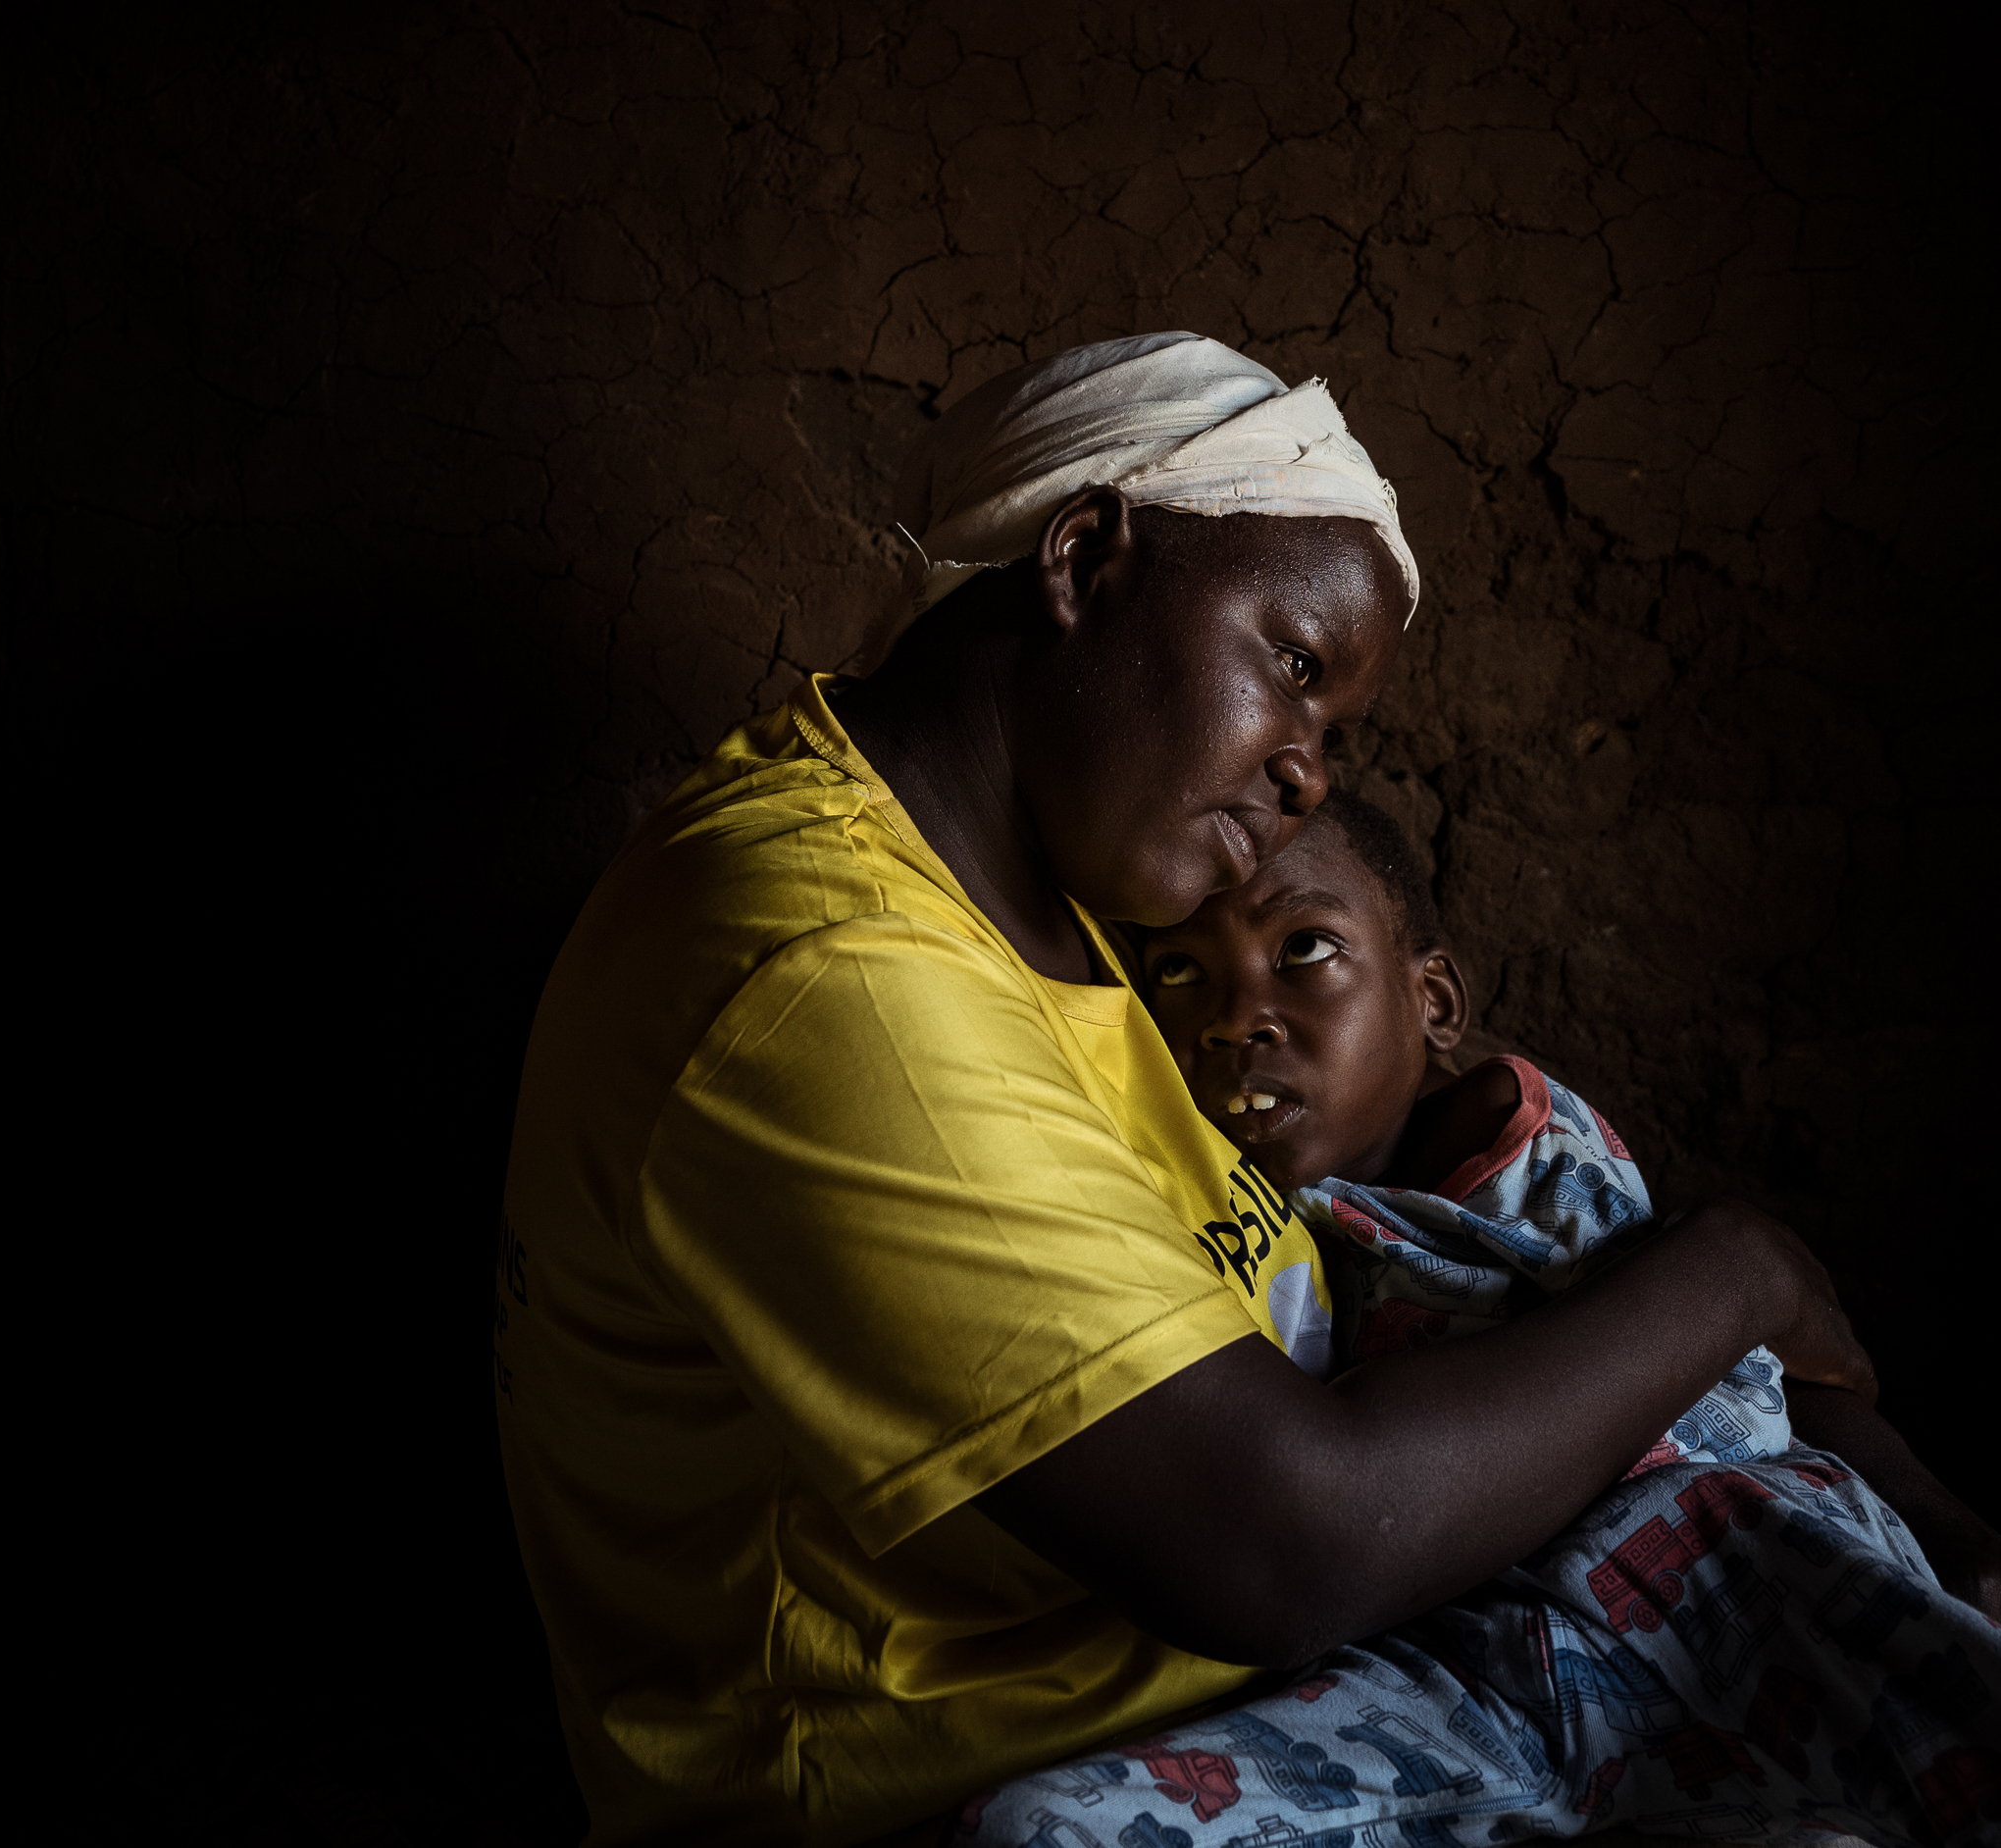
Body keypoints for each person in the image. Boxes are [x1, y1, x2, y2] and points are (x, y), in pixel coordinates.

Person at [494, 333, 1876, 1845]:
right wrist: (1739, 1270)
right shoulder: (822, 969)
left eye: (1333, 734)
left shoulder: (1075, 907)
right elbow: (1288, 1546)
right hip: (983, 1805)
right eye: (1295, 666)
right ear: (1085, 562)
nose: (1309, 773)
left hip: (1327, 1720)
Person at [960, 794, 2001, 1846]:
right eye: (1176, 978)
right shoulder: (1217, 1222)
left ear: (1435, 1002)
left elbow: (1779, 1378)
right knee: (1041, 1827)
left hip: (1728, 1587)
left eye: (1302, 950)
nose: (1235, 1019)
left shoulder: (1522, 1150)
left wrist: (1942, 1524)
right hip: (1471, 1675)